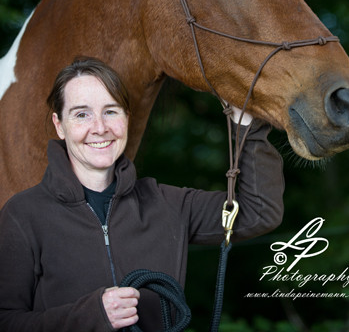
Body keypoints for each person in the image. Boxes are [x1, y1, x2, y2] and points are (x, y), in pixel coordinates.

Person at [0, 57, 284, 331]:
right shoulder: (23, 215)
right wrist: (92, 316)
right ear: (59, 125)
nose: (100, 128)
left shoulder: (168, 204)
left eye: (111, 111)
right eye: (82, 114)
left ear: (127, 119)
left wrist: (247, 125)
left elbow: (258, 211)